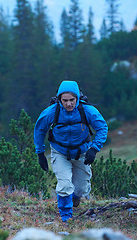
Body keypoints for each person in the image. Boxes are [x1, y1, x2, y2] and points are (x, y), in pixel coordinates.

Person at [34, 80, 108, 222]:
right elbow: (39, 130)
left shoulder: (87, 111)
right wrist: (40, 153)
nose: (68, 104)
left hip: (82, 152)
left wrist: (94, 148)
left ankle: (74, 197)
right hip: (60, 152)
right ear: (59, 99)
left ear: (77, 98)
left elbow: (102, 128)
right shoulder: (51, 112)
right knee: (65, 184)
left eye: (72, 100)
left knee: (81, 188)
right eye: (65, 100)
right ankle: (66, 217)